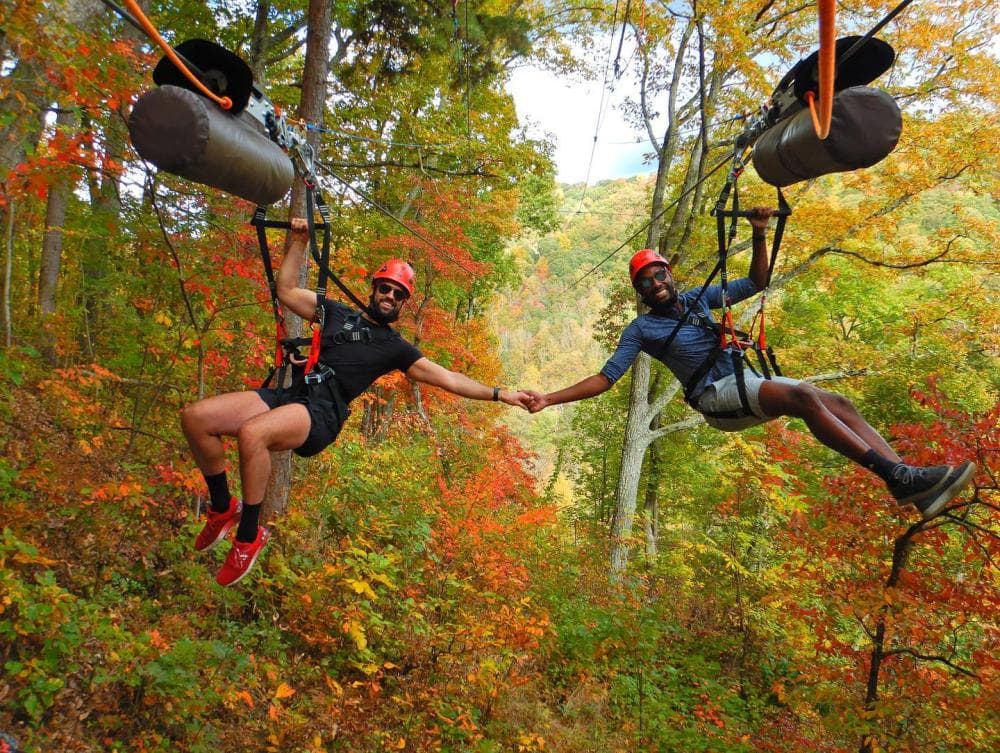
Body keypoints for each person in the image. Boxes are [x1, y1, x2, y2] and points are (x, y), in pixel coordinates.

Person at [524, 208, 975, 519]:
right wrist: (550, 397)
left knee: (836, 401)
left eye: (659, 273)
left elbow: (758, 280)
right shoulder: (642, 331)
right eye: (645, 281)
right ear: (639, 292)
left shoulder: (704, 297)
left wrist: (759, 232)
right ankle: (897, 475)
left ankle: (910, 482)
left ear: (670, 274)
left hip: (744, 380)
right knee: (802, 397)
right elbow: (605, 379)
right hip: (717, 398)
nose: (655, 283)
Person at [182, 218, 531, 586]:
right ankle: (222, 509)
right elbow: (285, 290)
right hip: (292, 395)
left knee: (253, 434)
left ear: (402, 305)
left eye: (399, 295)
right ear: (374, 288)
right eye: (386, 289)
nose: (391, 297)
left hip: (321, 414)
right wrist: (299, 241)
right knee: (197, 418)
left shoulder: (394, 347)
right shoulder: (333, 311)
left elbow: (448, 378)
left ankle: (249, 535)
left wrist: (500, 393)